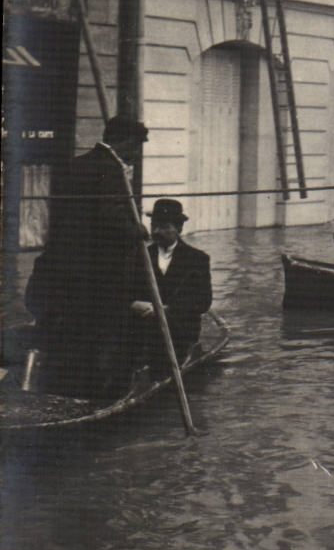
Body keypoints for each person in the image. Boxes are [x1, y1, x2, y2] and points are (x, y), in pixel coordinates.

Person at [30, 115, 151, 396]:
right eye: (135, 146)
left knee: (72, 326)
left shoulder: (79, 164)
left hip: (68, 265)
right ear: (123, 142)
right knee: (99, 329)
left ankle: (60, 384)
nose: (135, 154)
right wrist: (138, 230)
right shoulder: (110, 170)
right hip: (98, 270)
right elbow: (109, 218)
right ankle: (93, 392)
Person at [125, 198, 213, 367]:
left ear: (179, 228)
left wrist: (167, 310)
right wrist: (134, 304)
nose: (157, 231)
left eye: (165, 227)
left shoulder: (197, 259)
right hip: (144, 330)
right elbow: (126, 292)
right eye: (154, 226)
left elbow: (203, 302)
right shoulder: (139, 256)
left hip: (180, 331)